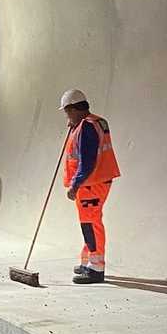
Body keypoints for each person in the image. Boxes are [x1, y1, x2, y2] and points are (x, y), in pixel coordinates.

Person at [60, 89, 121, 284]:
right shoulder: (94, 122)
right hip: (95, 181)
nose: (66, 116)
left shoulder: (86, 127)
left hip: (90, 183)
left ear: (74, 109)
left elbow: (87, 161)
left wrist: (75, 185)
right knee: (88, 221)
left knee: (91, 223)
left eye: (67, 112)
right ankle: (87, 261)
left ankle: (96, 268)